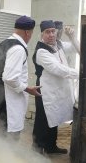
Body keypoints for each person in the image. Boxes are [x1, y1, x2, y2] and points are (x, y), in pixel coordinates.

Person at [32, 20, 79, 154]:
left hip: (57, 90)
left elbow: (76, 48)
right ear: (42, 34)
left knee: (54, 118)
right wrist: (80, 74)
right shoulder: (41, 51)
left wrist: (73, 37)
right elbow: (58, 69)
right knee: (42, 120)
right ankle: (37, 148)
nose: (51, 34)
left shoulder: (59, 45)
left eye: (53, 31)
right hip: (44, 90)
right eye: (48, 32)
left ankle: (51, 147)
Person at [0, 15, 41, 140]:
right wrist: (27, 88)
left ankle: (2, 156)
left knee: (3, 129)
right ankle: (8, 157)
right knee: (11, 132)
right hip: (9, 97)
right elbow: (10, 78)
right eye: (32, 32)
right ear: (27, 32)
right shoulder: (18, 49)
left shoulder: (3, 43)